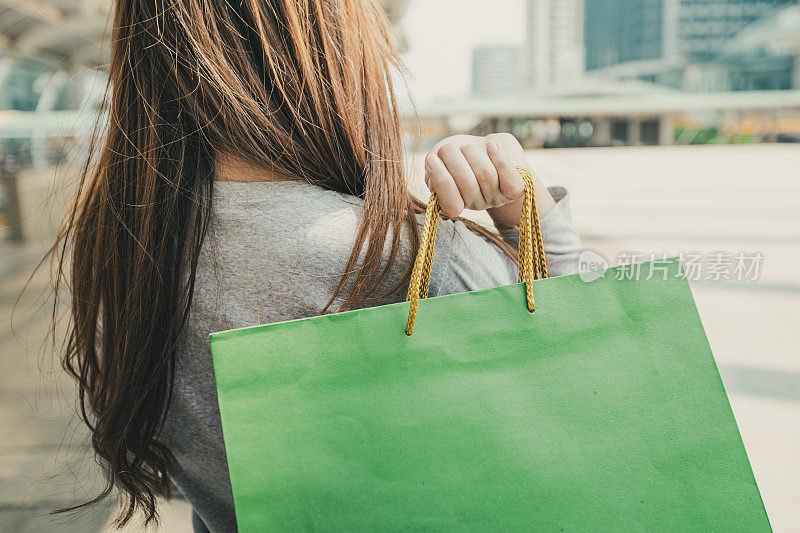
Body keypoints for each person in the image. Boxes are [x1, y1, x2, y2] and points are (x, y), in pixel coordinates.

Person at [49, 0, 582, 531]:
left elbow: (159, 472)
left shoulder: (122, 261)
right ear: (329, 52)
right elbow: (579, 365)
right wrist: (524, 209)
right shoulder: (407, 255)